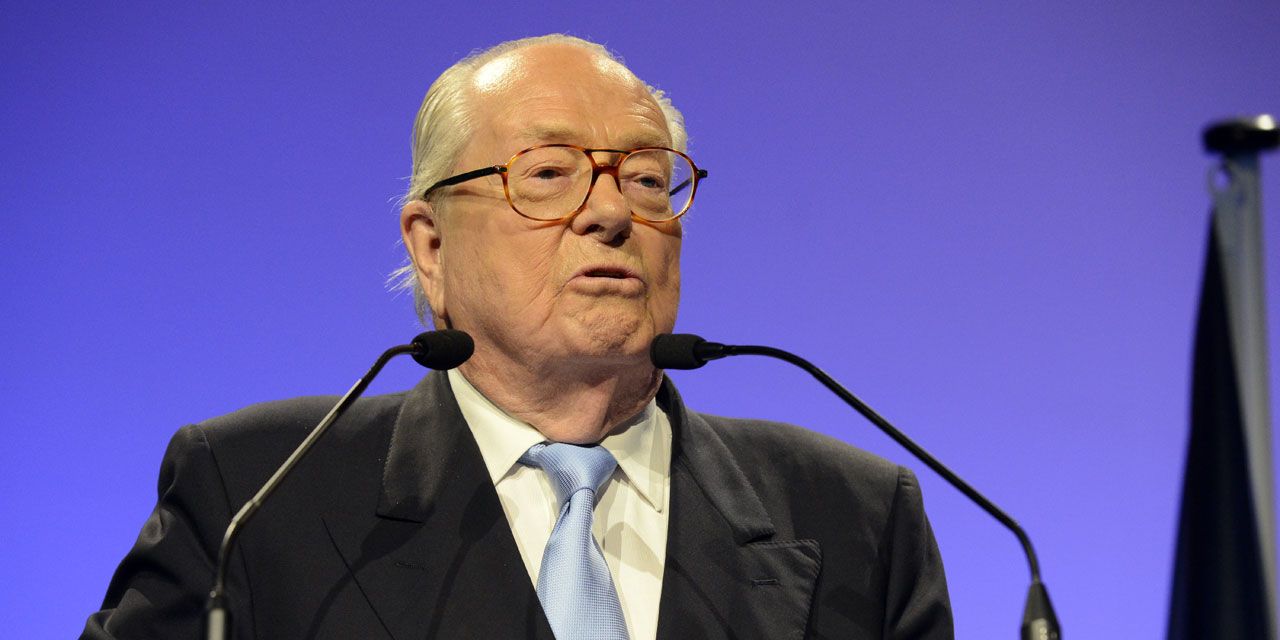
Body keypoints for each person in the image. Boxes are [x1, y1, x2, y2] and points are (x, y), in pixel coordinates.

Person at [82, 34, 952, 639]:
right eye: (548, 174)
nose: (612, 212)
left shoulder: (856, 515)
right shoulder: (256, 496)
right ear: (431, 247)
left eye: (648, 180)